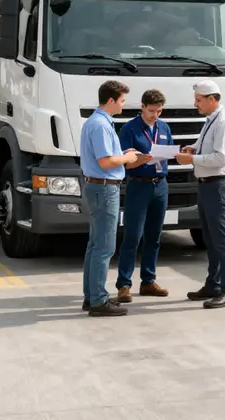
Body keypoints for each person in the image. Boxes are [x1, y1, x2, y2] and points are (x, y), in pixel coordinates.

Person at [80, 80, 147, 316]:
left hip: (99, 186)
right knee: (104, 247)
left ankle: (92, 297)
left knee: (96, 244)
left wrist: (123, 154)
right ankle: (98, 301)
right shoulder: (100, 125)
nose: (123, 105)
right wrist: (127, 160)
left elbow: (109, 156)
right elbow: (105, 162)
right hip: (104, 187)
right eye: (121, 101)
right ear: (111, 100)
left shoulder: (97, 122)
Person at [175, 79, 225, 308]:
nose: (196, 104)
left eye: (199, 100)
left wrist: (191, 159)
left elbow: (221, 158)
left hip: (218, 185)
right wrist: (194, 148)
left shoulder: (224, 123)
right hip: (206, 184)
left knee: (222, 241)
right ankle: (213, 284)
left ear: (212, 99)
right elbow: (207, 147)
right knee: (211, 239)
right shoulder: (211, 120)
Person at [114, 88, 175, 302]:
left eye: (158, 111)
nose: (155, 115)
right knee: (132, 236)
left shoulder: (164, 127)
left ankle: (148, 280)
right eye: (151, 111)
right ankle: (124, 284)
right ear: (142, 107)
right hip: (139, 185)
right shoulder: (130, 129)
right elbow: (122, 158)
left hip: (160, 186)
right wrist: (140, 158)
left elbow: (169, 151)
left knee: (154, 236)